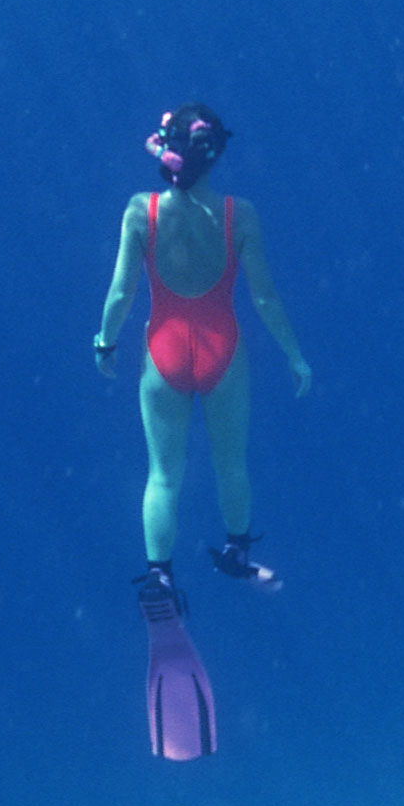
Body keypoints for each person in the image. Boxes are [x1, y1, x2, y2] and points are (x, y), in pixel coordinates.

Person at [92, 103, 312, 607]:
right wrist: (294, 355)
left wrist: (105, 340)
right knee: (230, 465)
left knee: (163, 475)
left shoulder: (139, 211)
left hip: (163, 348)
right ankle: (237, 552)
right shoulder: (240, 216)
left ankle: (159, 577)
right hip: (222, 348)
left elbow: (122, 291)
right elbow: (264, 297)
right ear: (215, 155)